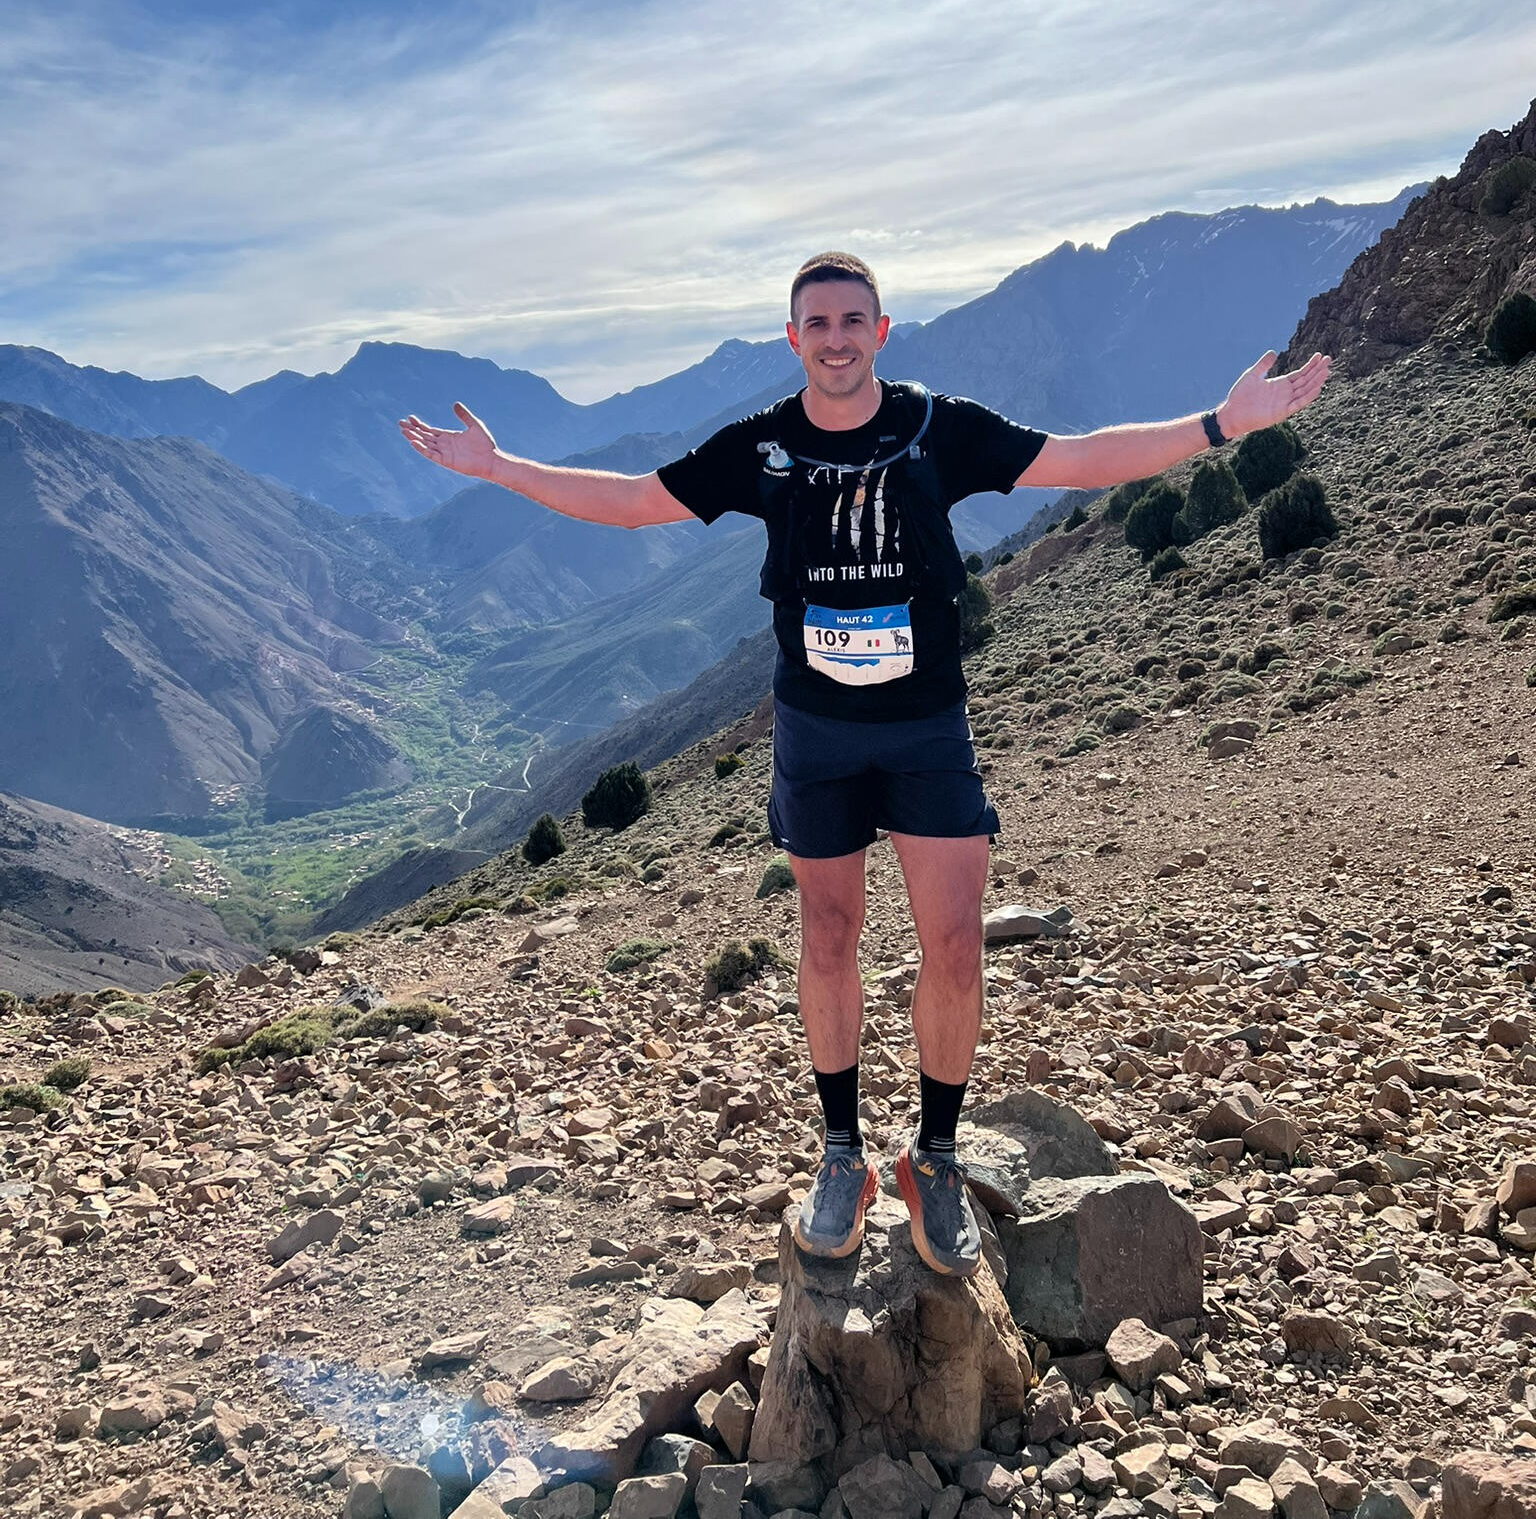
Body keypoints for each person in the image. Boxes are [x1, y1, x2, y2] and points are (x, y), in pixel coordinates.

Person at [400, 250, 1331, 1276]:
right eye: (818, 323)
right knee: (829, 933)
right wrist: (500, 467)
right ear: (792, 337)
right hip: (816, 729)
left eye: (853, 320)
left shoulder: (938, 427)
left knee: (957, 942)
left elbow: (1077, 459)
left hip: (926, 723)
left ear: (881, 331)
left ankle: (935, 1155)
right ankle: (841, 1153)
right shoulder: (763, 446)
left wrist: (1220, 424)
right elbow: (633, 501)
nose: (836, 338)